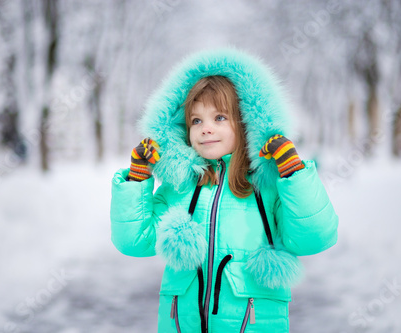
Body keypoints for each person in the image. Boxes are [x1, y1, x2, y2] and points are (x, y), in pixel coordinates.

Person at [110, 49, 338, 333]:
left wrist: (292, 173)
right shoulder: (179, 188)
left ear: (245, 123)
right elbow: (134, 241)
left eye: (219, 118)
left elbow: (315, 237)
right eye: (196, 120)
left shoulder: (266, 186)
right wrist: (138, 178)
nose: (205, 129)